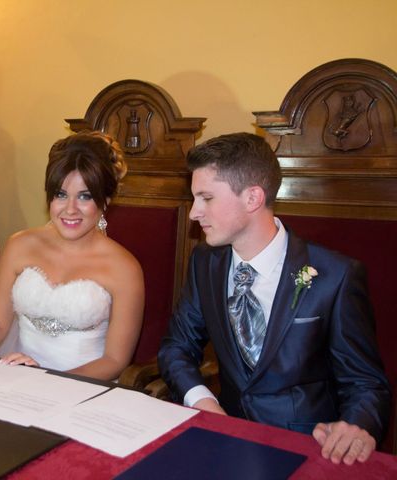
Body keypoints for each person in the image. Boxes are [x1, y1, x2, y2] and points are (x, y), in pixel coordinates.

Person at [158, 132, 391, 465]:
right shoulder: (205, 263)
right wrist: (203, 402)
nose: (194, 212)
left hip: (308, 449)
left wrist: (356, 426)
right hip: (225, 441)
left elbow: (366, 382)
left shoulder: (335, 275)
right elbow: (177, 347)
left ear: (253, 198)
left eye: (205, 198)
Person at [0, 131, 144, 381]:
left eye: (84, 196)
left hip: (84, 389)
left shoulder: (124, 268)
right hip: (19, 379)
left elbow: (115, 361)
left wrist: (48, 380)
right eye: (61, 194)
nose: (70, 209)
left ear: (105, 200)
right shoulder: (19, 246)